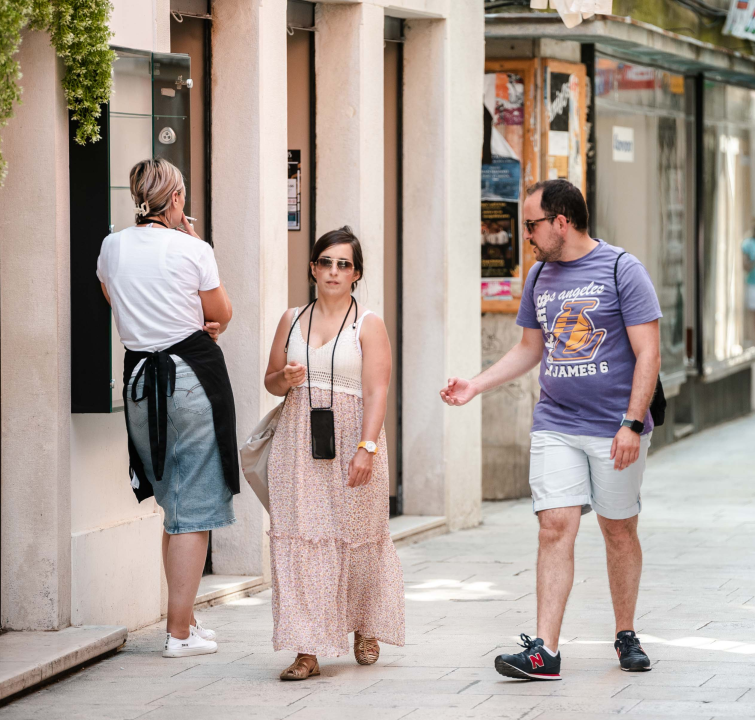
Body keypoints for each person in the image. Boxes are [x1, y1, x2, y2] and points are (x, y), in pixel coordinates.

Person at [441, 179, 662, 679]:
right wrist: (476, 385)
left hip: (614, 428)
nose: (527, 235)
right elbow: (529, 348)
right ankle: (545, 650)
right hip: (556, 422)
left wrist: (631, 423)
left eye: (531, 225)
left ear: (561, 222)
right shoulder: (539, 276)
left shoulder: (622, 269)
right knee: (554, 527)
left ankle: (625, 633)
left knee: (618, 529)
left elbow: (648, 352)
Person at [97, 158, 237, 659]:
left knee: (175, 505)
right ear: (175, 198)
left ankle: (187, 620)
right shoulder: (193, 249)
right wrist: (194, 246)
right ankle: (179, 634)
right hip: (190, 377)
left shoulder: (112, 246)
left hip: (140, 380)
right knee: (193, 509)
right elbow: (221, 313)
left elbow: (114, 298)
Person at [263, 226, 404, 681]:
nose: (333, 271)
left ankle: (365, 623)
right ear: (312, 267)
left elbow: (377, 390)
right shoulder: (291, 319)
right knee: (301, 539)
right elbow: (271, 381)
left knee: (357, 536)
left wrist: (367, 447)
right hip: (297, 443)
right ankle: (306, 649)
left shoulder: (369, 323)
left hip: (352, 439)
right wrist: (285, 378)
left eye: (344, 264)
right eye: (326, 262)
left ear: (356, 273)